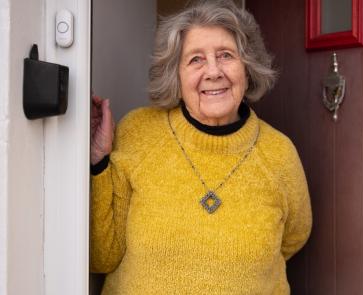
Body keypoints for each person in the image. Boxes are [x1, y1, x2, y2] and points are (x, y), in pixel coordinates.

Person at [89, 1, 312, 294]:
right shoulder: (137, 132)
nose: (213, 71)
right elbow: (101, 255)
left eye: (226, 55)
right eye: (196, 59)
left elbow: (294, 237)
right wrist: (99, 162)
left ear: (247, 67)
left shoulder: (279, 153)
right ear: (175, 74)